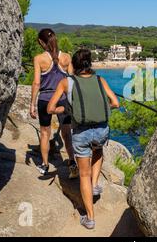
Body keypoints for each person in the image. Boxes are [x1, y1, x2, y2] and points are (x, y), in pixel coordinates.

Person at [47, 49, 119, 230]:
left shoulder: (66, 82)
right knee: (98, 149)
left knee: (83, 175)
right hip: (102, 130)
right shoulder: (100, 80)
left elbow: (50, 108)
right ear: (90, 63)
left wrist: (65, 110)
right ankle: (95, 185)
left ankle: (90, 218)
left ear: (75, 64)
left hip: (81, 132)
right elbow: (115, 103)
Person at [29, 29, 78, 179]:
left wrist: (32, 104)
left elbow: (37, 83)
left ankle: (45, 165)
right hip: (63, 100)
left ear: (42, 42)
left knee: (45, 133)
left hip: (45, 100)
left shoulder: (39, 59)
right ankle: (72, 164)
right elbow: (72, 81)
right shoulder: (66, 57)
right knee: (66, 133)